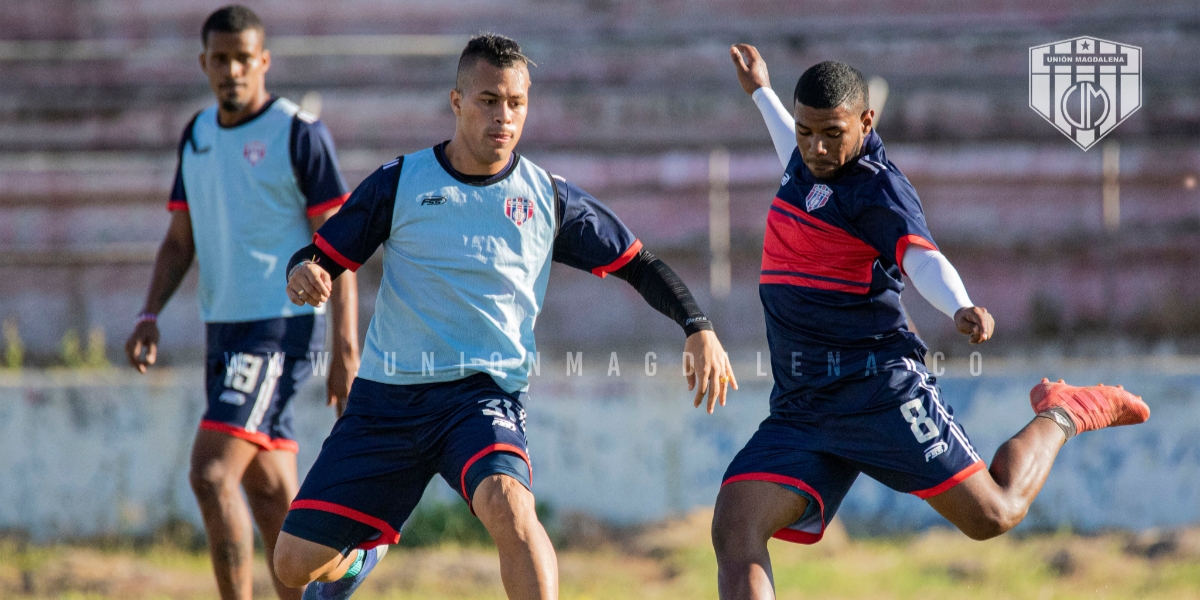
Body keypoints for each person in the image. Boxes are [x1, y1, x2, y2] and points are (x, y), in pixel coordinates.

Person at [270, 34, 737, 600]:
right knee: (292, 567)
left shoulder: (547, 197)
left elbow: (640, 262)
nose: (504, 115)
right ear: (457, 101)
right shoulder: (401, 183)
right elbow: (321, 253)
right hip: (386, 400)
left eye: (516, 102)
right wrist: (305, 271)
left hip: (480, 398)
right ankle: (357, 559)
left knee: (511, 507)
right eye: (489, 100)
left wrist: (698, 326)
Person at [712, 44, 1150, 600]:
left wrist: (960, 304)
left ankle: (1067, 411)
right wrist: (761, 92)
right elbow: (789, 141)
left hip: (878, 389)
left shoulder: (878, 188)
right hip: (803, 403)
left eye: (831, 133)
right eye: (806, 132)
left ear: (866, 121)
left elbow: (921, 258)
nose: (816, 148)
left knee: (994, 513)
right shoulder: (807, 154)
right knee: (735, 524)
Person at [123, 6, 359, 599]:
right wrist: (148, 314)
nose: (232, 70)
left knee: (209, 473)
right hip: (221, 329)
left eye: (243, 58)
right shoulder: (197, 135)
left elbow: (341, 245)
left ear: (264, 61)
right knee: (271, 499)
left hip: (278, 329)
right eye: (220, 59)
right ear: (205, 63)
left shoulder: (298, 132)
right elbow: (180, 242)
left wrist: (344, 350)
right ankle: (344, 568)